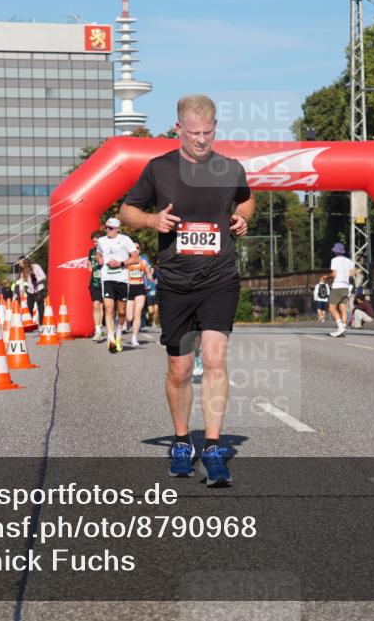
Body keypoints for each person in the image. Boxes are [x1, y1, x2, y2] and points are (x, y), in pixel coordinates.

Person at [120, 93, 254, 487]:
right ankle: (181, 442)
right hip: (176, 282)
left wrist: (240, 219)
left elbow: (247, 202)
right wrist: (150, 220)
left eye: (207, 132)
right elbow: (126, 212)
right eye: (194, 133)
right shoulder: (158, 170)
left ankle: (212, 447)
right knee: (179, 369)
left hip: (219, 277)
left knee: (214, 359)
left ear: (216, 128)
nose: (201, 140)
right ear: (179, 128)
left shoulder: (229, 168)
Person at [96, 217, 138, 353]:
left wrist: (120, 263)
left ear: (117, 229)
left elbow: (135, 258)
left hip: (122, 279)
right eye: (106, 228)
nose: (107, 230)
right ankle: (111, 337)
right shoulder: (102, 241)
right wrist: (99, 259)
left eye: (111, 228)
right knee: (109, 309)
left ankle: (119, 332)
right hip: (107, 278)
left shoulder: (125, 240)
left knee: (121, 311)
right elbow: (98, 253)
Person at [124, 243, 154, 347]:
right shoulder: (127, 263)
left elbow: (148, 273)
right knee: (129, 316)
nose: (135, 250)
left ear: (139, 250)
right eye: (133, 248)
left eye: (137, 248)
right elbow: (125, 277)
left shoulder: (143, 262)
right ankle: (127, 322)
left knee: (138, 313)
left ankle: (134, 338)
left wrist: (151, 279)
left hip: (140, 289)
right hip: (129, 289)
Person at [328, 242, 357, 337]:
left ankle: (340, 327)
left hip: (337, 286)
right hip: (345, 286)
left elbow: (334, 274)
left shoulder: (334, 260)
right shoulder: (350, 261)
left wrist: (327, 277)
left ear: (335, 251)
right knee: (342, 308)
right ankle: (343, 328)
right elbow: (352, 274)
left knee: (331, 308)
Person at [87, 230, 105, 342]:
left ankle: (102, 327)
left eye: (96, 241)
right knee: (96, 305)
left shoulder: (106, 251)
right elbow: (89, 263)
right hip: (94, 282)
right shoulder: (91, 252)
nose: (95, 244)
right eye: (93, 242)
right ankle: (97, 330)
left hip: (106, 281)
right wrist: (89, 266)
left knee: (104, 307)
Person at [144, 262, 159, 328]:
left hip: (156, 296)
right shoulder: (146, 279)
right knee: (151, 311)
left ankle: (153, 323)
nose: (151, 271)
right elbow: (144, 287)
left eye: (152, 270)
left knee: (156, 310)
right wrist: (147, 288)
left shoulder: (156, 278)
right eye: (150, 269)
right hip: (149, 296)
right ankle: (148, 318)